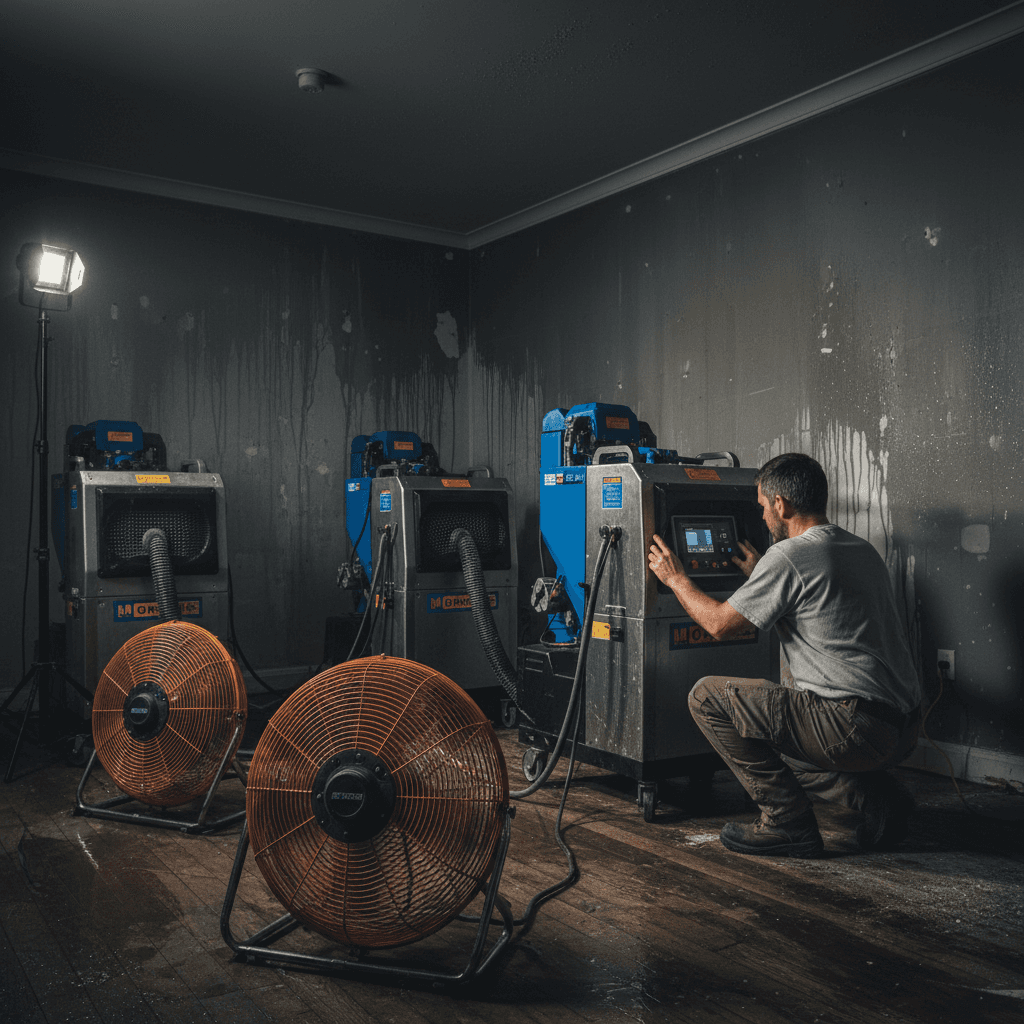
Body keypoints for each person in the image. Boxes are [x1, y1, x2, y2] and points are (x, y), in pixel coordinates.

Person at [647, 452, 921, 858]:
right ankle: (885, 804)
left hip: (852, 728)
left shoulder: (790, 556)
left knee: (706, 697)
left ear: (782, 504)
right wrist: (762, 570)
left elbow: (719, 625)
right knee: (782, 741)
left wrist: (677, 579)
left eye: (762, 506)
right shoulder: (859, 549)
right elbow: (817, 598)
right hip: (901, 729)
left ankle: (786, 822)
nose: (761, 517)